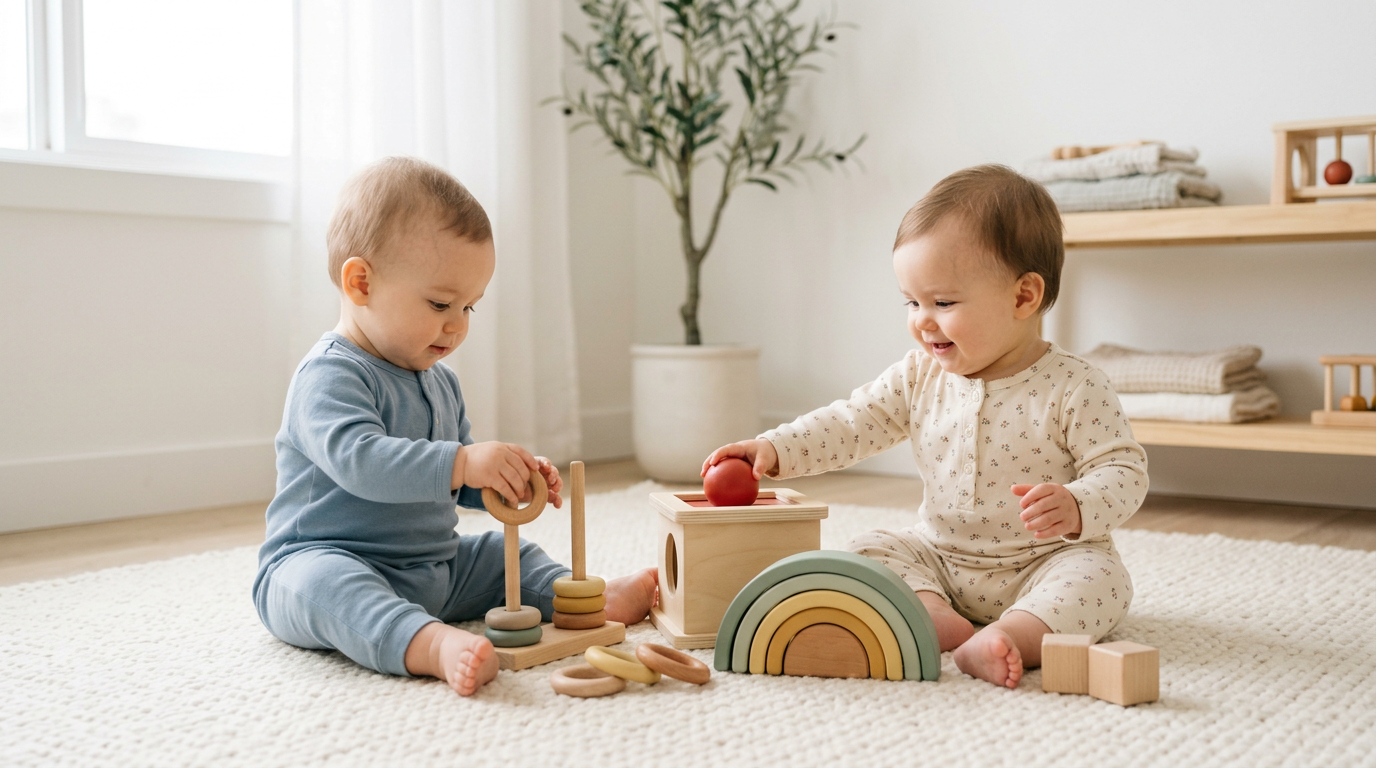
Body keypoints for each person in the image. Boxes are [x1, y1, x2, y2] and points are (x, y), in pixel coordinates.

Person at [702, 165, 1148, 688]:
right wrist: (774, 449)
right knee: (867, 548)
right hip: (941, 557)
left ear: (1023, 297)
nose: (922, 320)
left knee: (1102, 582)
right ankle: (931, 615)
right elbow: (852, 423)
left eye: (943, 302)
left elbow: (1123, 470)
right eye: (911, 302)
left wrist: (1077, 504)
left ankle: (1012, 635)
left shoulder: (1074, 385)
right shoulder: (919, 375)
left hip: (1045, 562)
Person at [253, 157, 656, 696]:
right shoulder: (329, 374)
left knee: (502, 555)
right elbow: (363, 462)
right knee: (326, 585)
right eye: (442, 303)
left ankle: (585, 598)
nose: (457, 324)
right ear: (361, 282)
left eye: (470, 306)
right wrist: (463, 462)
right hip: (325, 560)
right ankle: (429, 643)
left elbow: (456, 484)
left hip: (433, 568)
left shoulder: (439, 382)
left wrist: (497, 480)